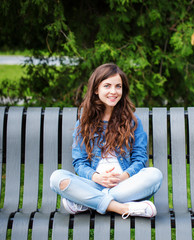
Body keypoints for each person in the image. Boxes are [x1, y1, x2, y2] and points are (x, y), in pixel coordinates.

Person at [50, 63, 162, 219]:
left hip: (124, 184)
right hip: (94, 183)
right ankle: (121, 208)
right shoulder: (83, 124)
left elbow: (140, 159)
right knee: (56, 178)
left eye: (118, 86)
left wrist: (122, 177)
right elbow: (79, 163)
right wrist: (97, 177)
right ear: (96, 89)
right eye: (107, 86)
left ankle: (86, 202)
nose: (113, 91)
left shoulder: (133, 123)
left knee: (155, 175)